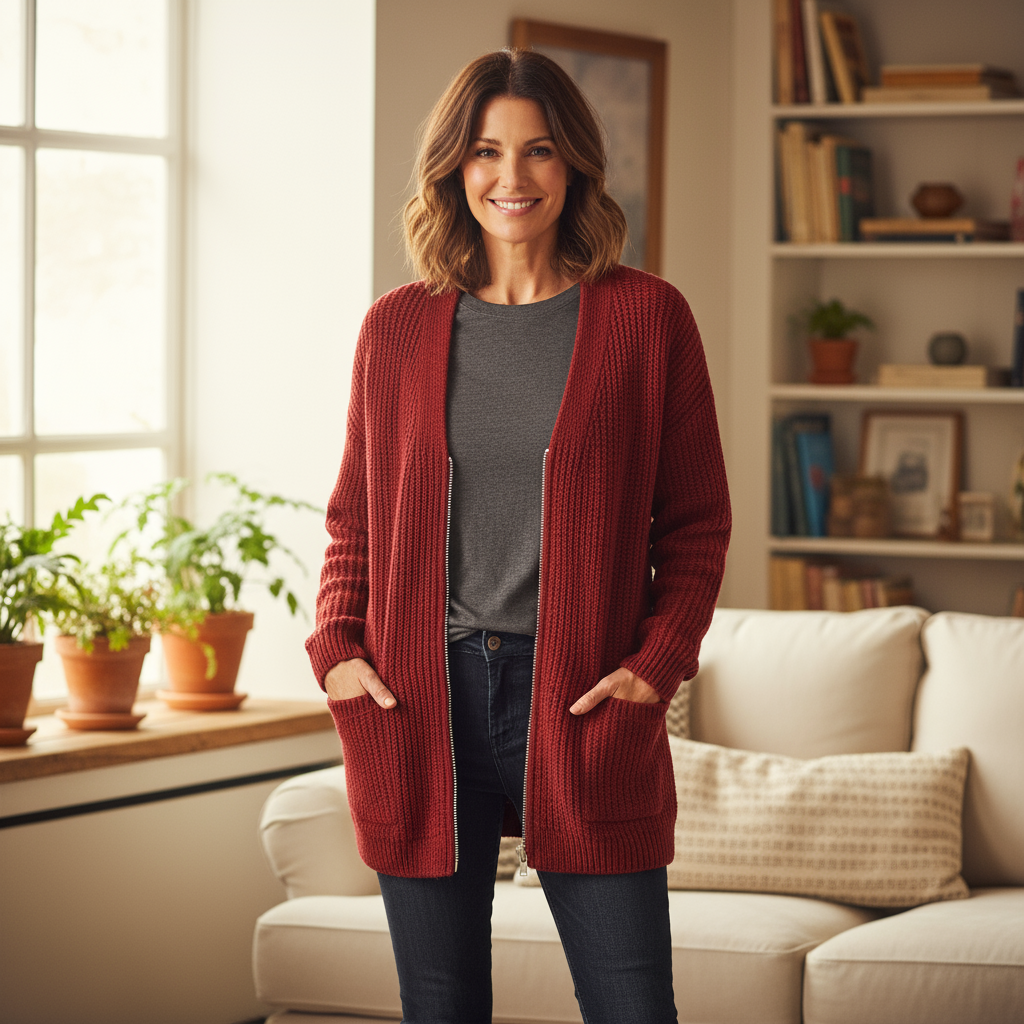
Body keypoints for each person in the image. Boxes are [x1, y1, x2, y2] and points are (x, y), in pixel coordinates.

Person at [306, 47, 731, 1024]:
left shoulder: (646, 319)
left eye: (538, 151)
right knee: (442, 1005)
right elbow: (352, 523)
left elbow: (698, 526)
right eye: (487, 152)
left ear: (574, 163)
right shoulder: (395, 329)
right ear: (454, 167)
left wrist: (654, 667)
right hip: (419, 698)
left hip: (584, 700)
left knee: (633, 1006)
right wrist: (336, 653)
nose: (511, 178)